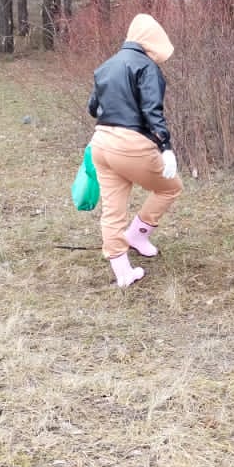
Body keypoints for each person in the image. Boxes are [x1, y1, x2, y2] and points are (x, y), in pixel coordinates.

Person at [88, 14, 182, 287]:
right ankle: (138, 235)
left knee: (112, 210)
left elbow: (93, 108)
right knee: (170, 188)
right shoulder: (146, 67)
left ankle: (123, 272)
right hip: (131, 144)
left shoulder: (105, 66)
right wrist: (165, 147)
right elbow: (152, 111)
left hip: (101, 143)